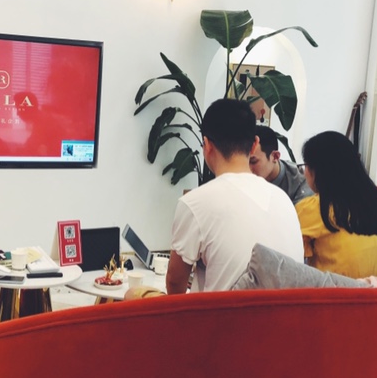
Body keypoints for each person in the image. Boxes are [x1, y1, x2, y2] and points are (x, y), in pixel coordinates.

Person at [128, 98, 304, 299]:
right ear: (254, 144)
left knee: (134, 294)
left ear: (207, 145)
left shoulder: (195, 202)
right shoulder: (284, 200)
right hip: (287, 318)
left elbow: (175, 284)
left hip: (222, 318)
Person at [295, 130, 377, 279]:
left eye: (305, 166)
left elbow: (289, 254)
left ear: (317, 170)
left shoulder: (315, 207)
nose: (304, 173)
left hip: (338, 290)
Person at [249, 124, 314, 204]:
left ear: (275, 156)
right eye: (245, 161)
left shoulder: (299, 183)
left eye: (253, 162)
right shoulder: (241, 175)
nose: (247, 168)